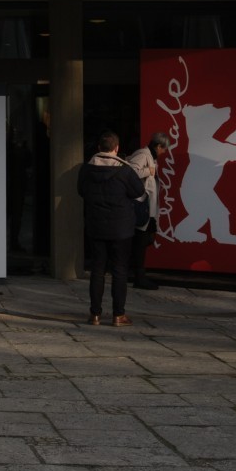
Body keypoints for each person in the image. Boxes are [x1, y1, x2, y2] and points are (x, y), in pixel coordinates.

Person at [77, 131, 145, 326]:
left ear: (99, 148)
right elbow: (139, 191)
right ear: (116, 148)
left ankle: (95, 314)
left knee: (97, 269)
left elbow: (81, 191)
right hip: (121, 228)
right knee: (120, 270)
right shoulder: (125, 171)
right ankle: (118, 315)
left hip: (96, 225)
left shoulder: (86, 169)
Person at [124, 133, 169, 293]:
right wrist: (148, 171)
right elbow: (130, 172)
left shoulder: (151, 157)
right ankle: (138, 276)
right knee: (141, 242)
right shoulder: (143, 155)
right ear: (158, 146)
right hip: (142, 207)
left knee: (146, 239)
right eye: (164, 149)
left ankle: (135, 273)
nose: (164, 152)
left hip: (148, 208)